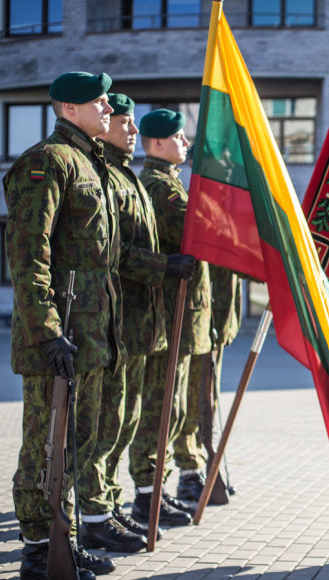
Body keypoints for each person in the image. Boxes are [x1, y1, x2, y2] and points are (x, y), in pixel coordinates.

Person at [4, 71, 121, 579]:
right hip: (58, 334)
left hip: (91, 334)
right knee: (46, 444)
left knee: (76, 444)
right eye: (98, 103)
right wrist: (48, 331)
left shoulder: (91, 164)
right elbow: (30, 255)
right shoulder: (47, 161)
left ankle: (64, 541)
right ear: (68, 109)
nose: (107, 111)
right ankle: (39, 551)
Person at [82, 93, 197, 550]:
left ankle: (111, 506)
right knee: (109, 424)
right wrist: (165, 265)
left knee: (129, 419)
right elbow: (111, 253)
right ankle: (98, 512)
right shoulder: (116, 178)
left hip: (141, 322)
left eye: (127, 121)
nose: (126, 128)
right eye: (121, 121)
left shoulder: (127, 176)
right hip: (116, 321)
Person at [128, 108, 212, 526]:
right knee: (159, 411)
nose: (186, 144)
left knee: (175, 410)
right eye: (180, 138)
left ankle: (156, 491)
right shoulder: (160, 189)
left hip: (184, 318)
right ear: (157, 143)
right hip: (169, 317)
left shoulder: (170, 184)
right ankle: (147, 496)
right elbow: (197, 236)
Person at [174, 264, 243, 507]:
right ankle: (189, 471)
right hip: (200, 318)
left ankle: (197, 465)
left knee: (208, 400)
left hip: (219, 319)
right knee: (193, 401)